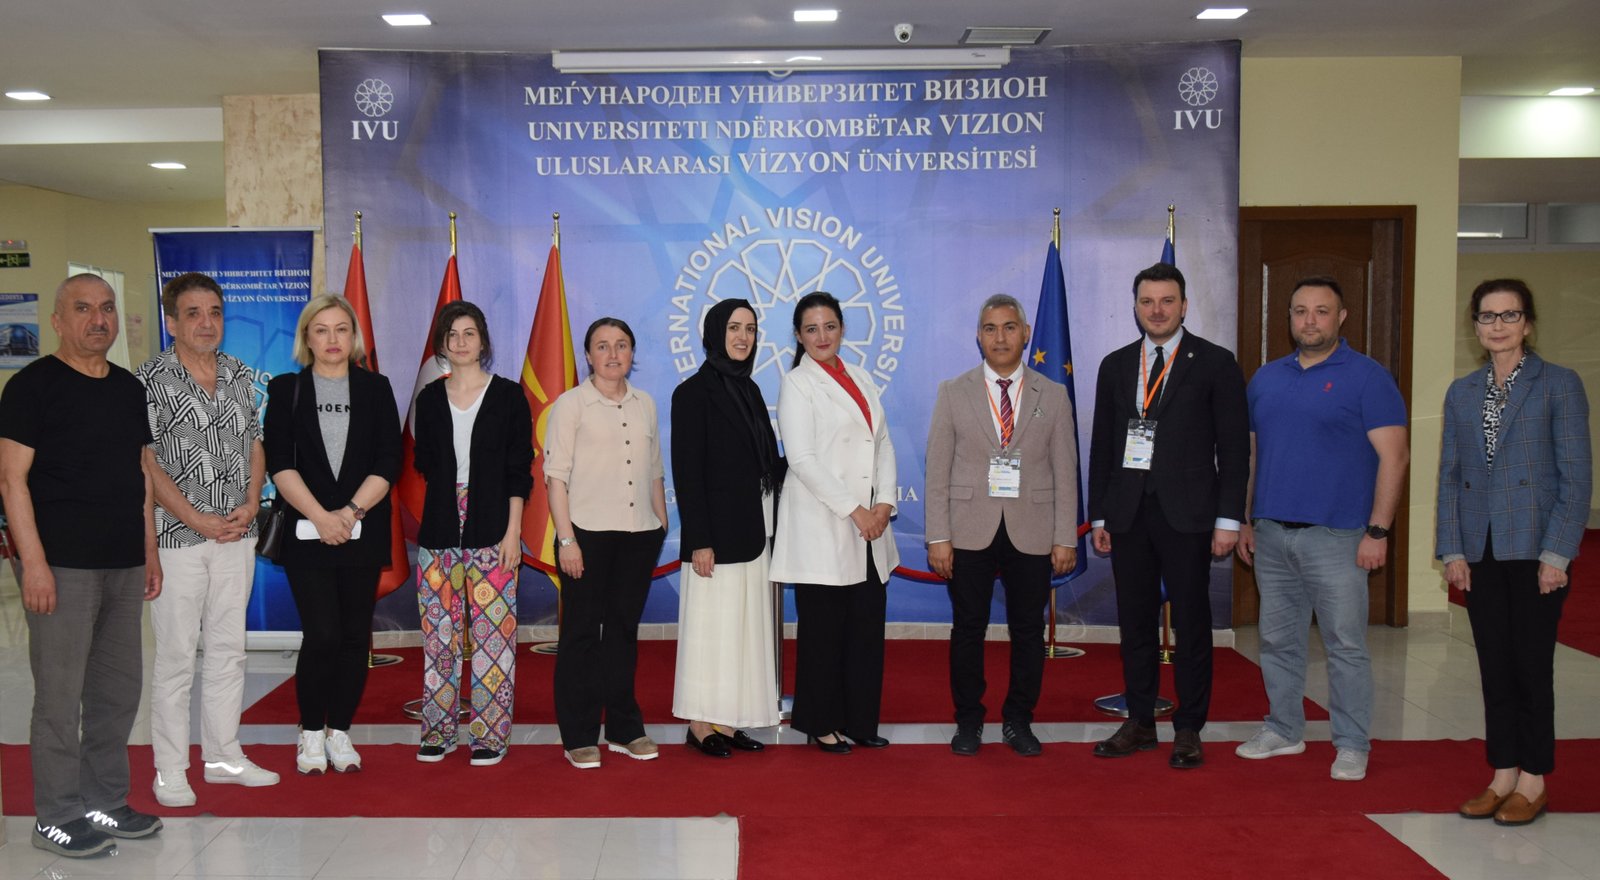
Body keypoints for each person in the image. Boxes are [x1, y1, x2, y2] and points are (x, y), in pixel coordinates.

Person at [0, 274, 163, 856]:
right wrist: (34, 564)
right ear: (58, 321)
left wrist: (148, 550)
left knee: (117, 693)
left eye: (107, 308)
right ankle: (56, 815)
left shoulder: (127, 388)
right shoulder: (31, 386)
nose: (98, 319)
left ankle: (104, 801)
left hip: (122, 563)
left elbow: (139, 474)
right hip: (61, 567)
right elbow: (11, 481)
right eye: (83, 308)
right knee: (59, 696)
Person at [1235, 276, 1409, 782]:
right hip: (1271, 534)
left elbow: (1395, 457)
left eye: (1321, 311)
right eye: (1300, 311)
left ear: (1342, 317)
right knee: (1277, 641)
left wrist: (1378, 531)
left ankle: (1352, 743)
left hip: (1339, 538)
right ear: (1289, 317)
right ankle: (1283, 729)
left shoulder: (1368, 377)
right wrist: (1246, 518)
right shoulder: (1265, 378)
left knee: (1345, 646)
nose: (1309, 321)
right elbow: (1251, 455)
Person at [1438, 279, 1590, 826]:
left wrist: (1558, 554)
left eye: (1509, 315)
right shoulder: (1462, 392)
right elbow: (1450, 477)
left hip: (1535, 550)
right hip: (1480, 549)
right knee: (1494, 666)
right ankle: (1503, 773)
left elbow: (1576, 478)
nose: (1497, 325)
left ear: (1527, 323)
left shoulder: (1559, 385)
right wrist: (1452, 549)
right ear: (1475, 326)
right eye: (1487, 316)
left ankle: (1534, 779)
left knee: (1530, 667)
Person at [1086, 264, 1249, 769]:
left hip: (1190, 516)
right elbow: (1103, 445)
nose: (1157, 310)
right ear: (1135, 307)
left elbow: (1234, 448)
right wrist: (1099, 517)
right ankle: (1139, 721)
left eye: (1167, 301)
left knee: (1192, 625)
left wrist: (1228, 520)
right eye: (1147, 301)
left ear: (1184, 306)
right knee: (1135, 623)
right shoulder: (1115, 365)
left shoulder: (1215, 363)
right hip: (1128, 515)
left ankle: (1189, 727)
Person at [138, 272, 277, 807]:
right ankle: (171, 770)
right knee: (176, 658)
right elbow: (146, 463)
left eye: (215, 312)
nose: (206, 323)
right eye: (193, 313)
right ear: (172, 322)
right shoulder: (149, 379)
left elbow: (255, 445)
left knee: (228, 651)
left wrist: (252, 502)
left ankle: (222, 758)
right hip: (178, 539)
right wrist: (195, 518)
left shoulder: (239, 373)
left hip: (236, 536)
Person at [925, 293, 1079, 757]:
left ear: (1026, 334)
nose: (1000, 337)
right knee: (967, 629)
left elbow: (1066, 470)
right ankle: (968, 721)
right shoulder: (953, 391)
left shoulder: (1053, 395)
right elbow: (938, 469)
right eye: (990, 329)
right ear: (978, 336)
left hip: (1032, 529)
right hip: (968, 528)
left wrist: (1064, 536)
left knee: (1028, 631)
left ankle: (1018, 719)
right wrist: (938, 536)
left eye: (1009, 327)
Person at [263, 294, 401, 776]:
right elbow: (279, 463)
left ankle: (339, 731)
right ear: (307, 337)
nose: (332, 339)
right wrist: (322, 517)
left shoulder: (376, 387)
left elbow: (388, 460)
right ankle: (310, 732)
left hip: (362, 527)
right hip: (308, 532)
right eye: (321, 330)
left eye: (341, 329)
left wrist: (351, 512)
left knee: (352, 636)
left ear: (353, 336)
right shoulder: (286, 389)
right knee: (321, 633)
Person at [770, 291, 898, 754]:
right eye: (811, 329)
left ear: (842, 328)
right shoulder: (797, 384)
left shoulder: (860, 376)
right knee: (823, 632)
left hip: (871, 528)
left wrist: (884, 503)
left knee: (865, 630)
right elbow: (802, 458)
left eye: (829, 326)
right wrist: (856, 510)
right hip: (824, 523)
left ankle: (860, 720)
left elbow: (882, 443)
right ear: (799, 336)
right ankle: (820, 722)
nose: (822, 336)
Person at [411, 300, 533, 766]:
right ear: (442, 344)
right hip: (439, 529)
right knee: (438, 638)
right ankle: (438, 732)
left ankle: (489, 736)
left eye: (469, 333)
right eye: (452, 335)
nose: (460, 342)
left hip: (494, 527)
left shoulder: (508, 396)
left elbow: (519, 471)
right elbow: (425, 463)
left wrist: (512, 531)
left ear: (483, 341)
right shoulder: (429, 399)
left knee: (492, 638)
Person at [545, 317, 668, 770]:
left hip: (638, 535)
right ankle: (578, 735)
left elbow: (654, 470)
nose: (613, 354)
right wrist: (567, 540)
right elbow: (555, 479)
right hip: (586, 536)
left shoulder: (645, 403)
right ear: (588, 355)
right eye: (602, 346)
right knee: (580, 635)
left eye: (621, 345)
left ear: (632, 353)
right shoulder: (571, 405)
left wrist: (660, 523)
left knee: (622, 633)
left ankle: (624, 728)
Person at [671, 299, 786, 758]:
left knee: (742, 631)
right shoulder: (692, 393)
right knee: (711, 630)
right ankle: (701, 723)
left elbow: (766, 462)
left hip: (753, 530)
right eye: (735, 327)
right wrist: (699, 539)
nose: (743, 337)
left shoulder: (750, 389)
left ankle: (728, 718)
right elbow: (688, 473)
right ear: (716, 332)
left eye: (751, 329)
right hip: (714, 539)